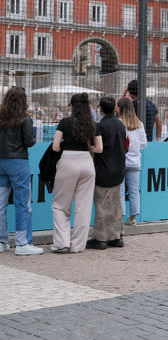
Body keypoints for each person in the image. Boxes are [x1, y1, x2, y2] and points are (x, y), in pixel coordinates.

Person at [52, 93, 102, 253]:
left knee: (60, 206)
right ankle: (78, 245)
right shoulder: (93, 124)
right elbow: (99, 149)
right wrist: (88, 148)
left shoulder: (65, 123)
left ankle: (62, 243)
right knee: (83, 207)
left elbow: (55, 146)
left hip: (67, 161)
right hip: (87, 163)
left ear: (72, 106)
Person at [0, 87, 41, 255]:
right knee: (22, 203)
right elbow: (30, 142)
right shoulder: (25, 119)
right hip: (18, 162)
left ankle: (2, 241)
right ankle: (22, 242)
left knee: (0, 204)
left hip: (1, 162)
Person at [86, 96, 127, 250]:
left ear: (100, 108)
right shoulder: (120, 125)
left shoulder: (100, 126)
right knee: (115, 205)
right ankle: (117, 236)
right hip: (118, 168)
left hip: (103, 168)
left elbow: (95, 147)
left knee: (102, 204)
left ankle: (100, 237)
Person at [117, 97, 147, 227]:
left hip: (121, 160)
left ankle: (121, 217)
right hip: (135, 161)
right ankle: (133, 218)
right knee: (134, 190)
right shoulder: (139, 124)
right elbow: (144, 144)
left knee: (120, 190)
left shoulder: (119, 123)